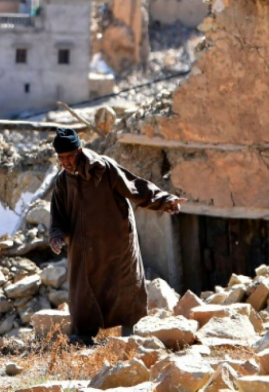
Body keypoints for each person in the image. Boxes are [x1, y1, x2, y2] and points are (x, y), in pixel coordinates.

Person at [49, 128, 186, 344]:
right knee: (83, 290)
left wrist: (163, 201)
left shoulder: (103, 168)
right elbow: (58, 216)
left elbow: (135, 186)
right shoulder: (63, 181)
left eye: (69, 156)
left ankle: (130, 337)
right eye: (61, 158)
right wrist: (56, 235)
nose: (65, 162)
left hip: (116, 240)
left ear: (80, 151)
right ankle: (84, 336)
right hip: (84, 246)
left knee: (124, 285)